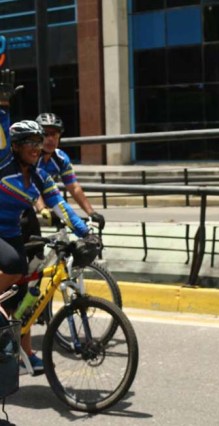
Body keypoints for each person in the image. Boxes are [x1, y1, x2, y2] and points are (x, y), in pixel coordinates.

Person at [0, 71, 90, 373]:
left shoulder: (39, 175)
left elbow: (61, 203)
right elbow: (2, 128)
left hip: (11, 231)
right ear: (16, 146)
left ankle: (19, 352)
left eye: (40, 143)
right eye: (30, 144)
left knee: (25, 294)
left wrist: (85, 231)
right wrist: (2, 103)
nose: (38, 148)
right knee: (13, 265)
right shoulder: (3, 164)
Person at [31, 112, 105, 229]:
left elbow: (74, 187)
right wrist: (42, 208)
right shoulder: (30, 156)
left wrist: (91, 213)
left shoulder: (61, 158)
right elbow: (28, 185)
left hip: (46, 198)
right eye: (46, 134)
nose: (50, 139)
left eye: (54, 134)